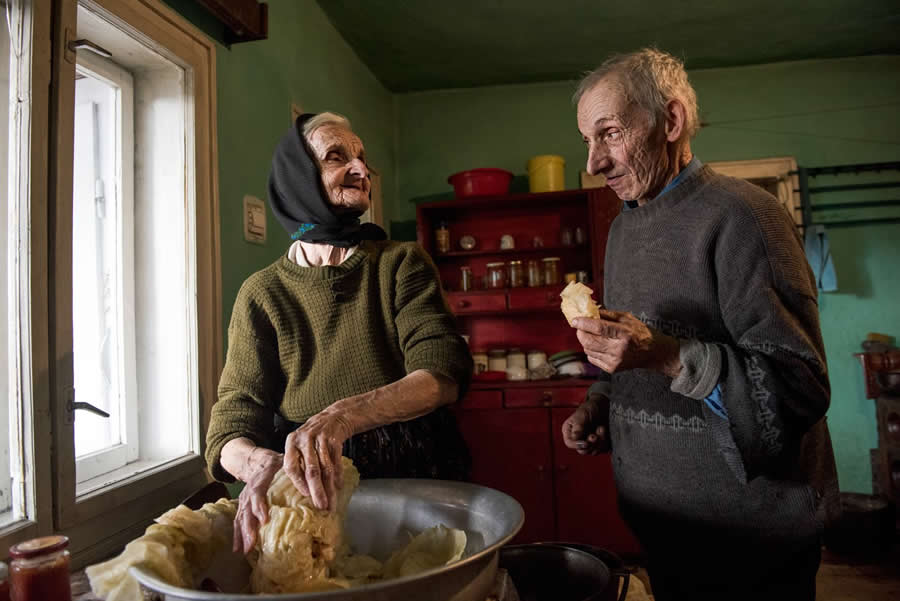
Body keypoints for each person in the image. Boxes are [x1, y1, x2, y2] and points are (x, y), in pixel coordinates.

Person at [561, 48, 839, 600]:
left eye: (610, 133)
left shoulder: (744, 216)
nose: (594, 163)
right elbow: (638, 343)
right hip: (663, 531)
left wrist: (665, 355)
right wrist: (603, 400)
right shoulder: (624, 229)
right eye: (587, 141)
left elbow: (799, 387)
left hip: (749, 544)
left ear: (671, 121)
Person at [205, 112, 473, 554]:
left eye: (363, 159)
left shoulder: (400, 263)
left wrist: (342, 417)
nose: (362, 170)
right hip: (309, 489)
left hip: (415, 471)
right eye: (337, 157)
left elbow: (443, 373)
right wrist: (260, 465)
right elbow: (231, 423)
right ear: (299, 177)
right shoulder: (263, 293)